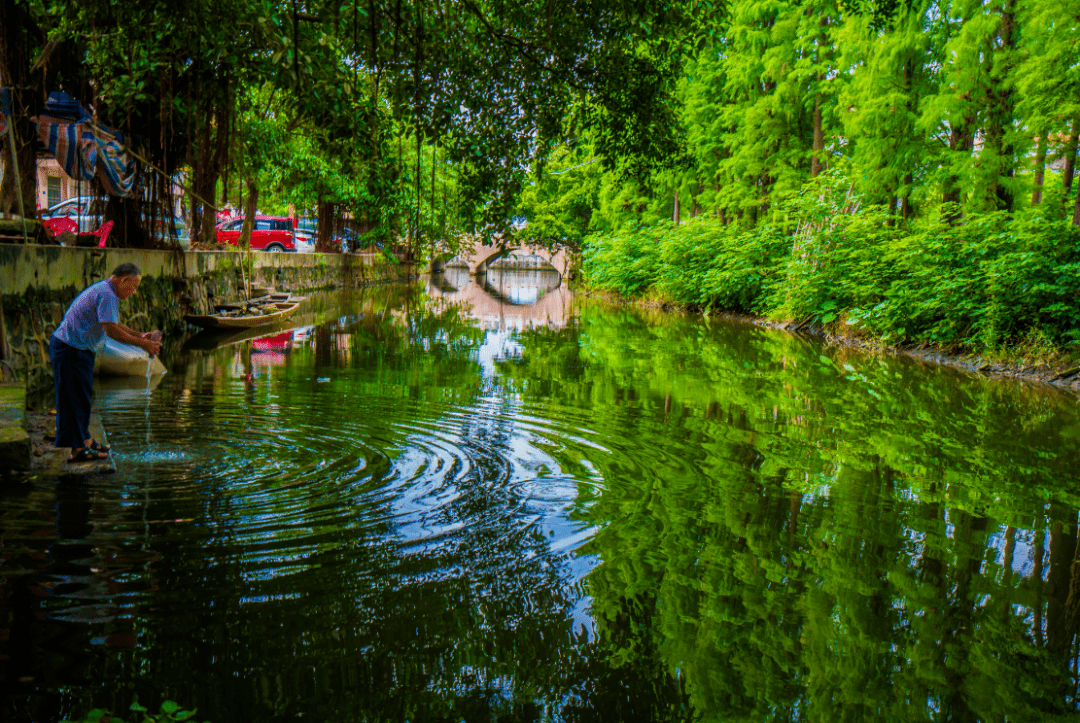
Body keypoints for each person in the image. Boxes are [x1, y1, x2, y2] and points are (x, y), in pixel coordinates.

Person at [49, 262, 163, 462]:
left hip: (77, 348)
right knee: (73, 398)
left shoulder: (106, 291)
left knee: (81, 397)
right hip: (70, 348)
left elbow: (113, 323)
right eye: (134, 286)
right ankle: (77, 450)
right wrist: (142, 345)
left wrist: (140, 336)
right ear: (124, 280)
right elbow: (111, 331)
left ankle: (83, 439)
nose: (134, 292)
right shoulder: (108, 294)